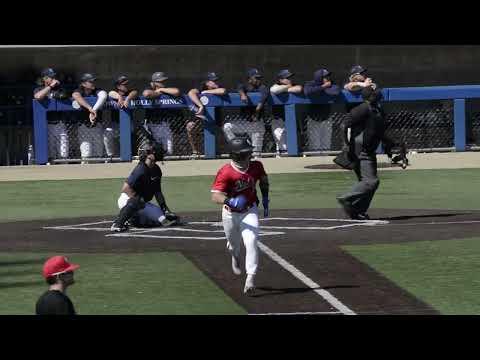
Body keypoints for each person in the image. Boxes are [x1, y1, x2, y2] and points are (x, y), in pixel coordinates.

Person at [210, 136, 270, 295]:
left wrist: (265, 198)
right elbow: (215, 196)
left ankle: (250, 278)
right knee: (234, 245)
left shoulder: (256, 166)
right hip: (230, 214)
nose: (249, 155)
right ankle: (235, 256)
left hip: (249, 211)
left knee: (251, 241)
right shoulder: (226, 171)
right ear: (237, 155)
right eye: (246, 153)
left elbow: (264, 180)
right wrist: (231, 201)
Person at [336, 86, 392, 220]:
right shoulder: (362, 108)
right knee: (371, 182)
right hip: (360, 150)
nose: (378, 95)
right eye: (375, 93)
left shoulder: (378, 110)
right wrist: (345, 145)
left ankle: (356, 210)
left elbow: (379, 132)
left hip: (369, 149)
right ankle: (346, 198)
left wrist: (390, 145)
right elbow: (344, 125)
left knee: (367, 182)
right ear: (370, 96)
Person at [110, 127, 180, 232]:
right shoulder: (141, 169)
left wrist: (165, 209)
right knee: (136, 201)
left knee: (165, 221)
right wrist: (137, 199)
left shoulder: (157, 170)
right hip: (127, 200)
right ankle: (118, 223)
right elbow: (125, 188)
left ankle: (134, 219)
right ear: (150, 155)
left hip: (143, 203)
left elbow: (158, 192)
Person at [223, 68, 269, 158]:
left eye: (259, 78)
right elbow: (239, 87)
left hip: (257, 124)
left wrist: (258, 108)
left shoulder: (262, 87)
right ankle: (238, 145)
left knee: (256, 155)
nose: (258, 79)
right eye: (256, 78)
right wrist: (242, 94)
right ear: (250, 79)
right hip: (245, 123)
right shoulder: (244, 87)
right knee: (227, 127)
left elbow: (265, 94)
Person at [186, 72, 227, 159]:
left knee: (220, 136)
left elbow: (223, 91)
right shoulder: (201, 87)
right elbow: (191, 93)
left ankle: (219, 153)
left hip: (216, 118)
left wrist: (207, 92)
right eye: (213, 81)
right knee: (190, 126)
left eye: (216, 80)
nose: (216, 82)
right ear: (207, 82)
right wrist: (200, 106)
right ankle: (195, 152)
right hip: (202, 116)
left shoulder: (218, 87)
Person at [33, 68, 71, 161]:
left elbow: (64, 95)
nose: (54, 78)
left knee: (64, 154)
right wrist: (50, 87)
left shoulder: (60, 89)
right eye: (51, 77)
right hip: (47, 125)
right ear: (44, 79)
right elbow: (38, 96)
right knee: (50, 154)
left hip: (60, 124)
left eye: (54, 77)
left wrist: (54, 91)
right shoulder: (39, 89)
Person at [72, 73, 108, 163]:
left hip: (97, 125)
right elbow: (76, 95)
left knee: (98, 154)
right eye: (90, 81)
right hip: (84, 126)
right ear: (83, 84)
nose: (93, 83)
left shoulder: (96, 90)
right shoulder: (79, 90)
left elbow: (104, 95)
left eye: (93, 81)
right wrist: (90, 108)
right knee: (86, 155)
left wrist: (93, 111)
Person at [142, 72, 181, 156]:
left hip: (164, 125)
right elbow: (146, 94)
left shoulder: (166, 90)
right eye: (160, 81)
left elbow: (177, 91)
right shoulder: (149, 89)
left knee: (169, 152)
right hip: (150, 124)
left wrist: (161, 90)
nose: (163, 83)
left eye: (164, 81)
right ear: (154, 83)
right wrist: (158, 93)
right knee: (153, 151)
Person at [303, 69, 341, 151]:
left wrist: (319, 90)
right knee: (314, 146)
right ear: (318, 78)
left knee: (326, 146)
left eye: (328, 76)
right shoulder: (310, 84)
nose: (327, 78)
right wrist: (323, 87)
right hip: (313, 118)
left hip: (327, 118)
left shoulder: (331, 84)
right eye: (325, 77)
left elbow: (336, 91)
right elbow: (307, 91)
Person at [269, 69, 303, 156]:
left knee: (293, 143)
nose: (289, 79)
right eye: (287, 78)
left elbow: (299, 89)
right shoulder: (276, 85)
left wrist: (286, 89)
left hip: (291, 120)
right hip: (278, 120)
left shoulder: (294, 85)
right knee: (282, 145)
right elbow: (274, 90)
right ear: (280, 80)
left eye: (290, 77)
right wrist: (288, 87)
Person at [106, 76, 139, 160]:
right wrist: (119, 97)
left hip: (128, 123)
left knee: (131, 133)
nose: (127, 86)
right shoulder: (114, 93)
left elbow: (135, 92)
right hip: (115, 124)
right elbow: (110, 93)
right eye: (124, 84)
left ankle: (130, 156)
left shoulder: (130, 92)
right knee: (107, 132)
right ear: (118, 86)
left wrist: (127, 99)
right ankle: (110, 156)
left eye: (127, 84)